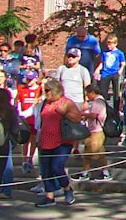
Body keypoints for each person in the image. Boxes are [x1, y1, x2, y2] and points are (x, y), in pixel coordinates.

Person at [35, 78, 81, 207]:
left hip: (62, 141)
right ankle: (49, 196)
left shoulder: (67, 102)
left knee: (57, 166)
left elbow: (77, 118)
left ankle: (67, 188)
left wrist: (64, 113)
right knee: (46, 170)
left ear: (55, 90)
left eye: (47, 90)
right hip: (45, 140)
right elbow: (42, 122)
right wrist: (39, 139)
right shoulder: (45, 103)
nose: (46, 93)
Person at [72, 83, 110, 181]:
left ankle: (105, 173)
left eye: (88, 94)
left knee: (98, 154)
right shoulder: (99, 101)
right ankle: (85, 173)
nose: (87, 97)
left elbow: (94, 115)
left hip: (96, 132)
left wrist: (82, 114)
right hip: (93, 131)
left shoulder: (98, 102)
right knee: (88, 154)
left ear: (92, 92)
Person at [17, 71, 42, 173]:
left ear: (36, 79)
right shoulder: (22, 90)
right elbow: (18, 103)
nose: (29, 81)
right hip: (25, 120)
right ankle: (24, 160)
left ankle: (30, 158)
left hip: (35, 120)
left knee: (33, 140)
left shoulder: (40, 90)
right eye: (27, 79)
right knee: (25, 141)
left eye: (31, 79)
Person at [95, 35, 126, 105]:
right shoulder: (104, 53)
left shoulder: (119, 53)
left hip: (115, 73)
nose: (109, 46)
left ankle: (116, 108)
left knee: (116, 92)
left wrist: (120, 71)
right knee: (103, 91)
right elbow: (102, 63)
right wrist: (97, 69)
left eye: (111, 44)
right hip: (105, 73)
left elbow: (123, 63)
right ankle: (103, 106)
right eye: (108, 44)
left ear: (115, 44)